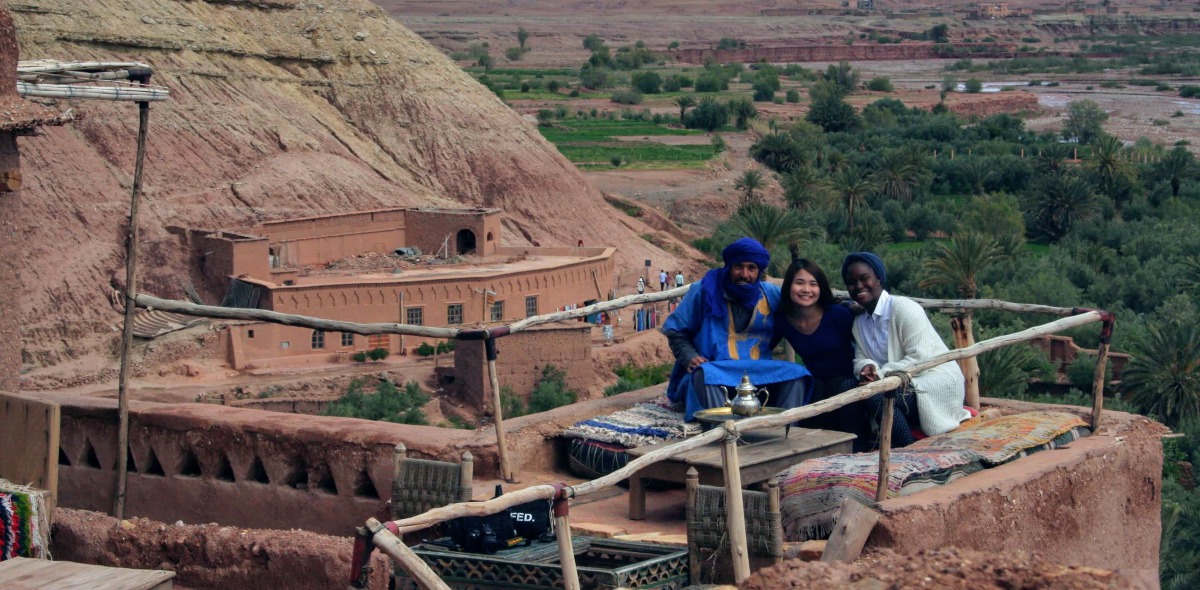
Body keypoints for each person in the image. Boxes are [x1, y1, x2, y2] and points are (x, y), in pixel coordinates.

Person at [662, 237, 811, 421]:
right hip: (716, 369)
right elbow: (676, 330)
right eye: (738, 266)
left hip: (758, 370)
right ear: (729, 267)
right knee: (704, 374)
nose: (744, 274)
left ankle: (784, 430)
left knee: (797, 374)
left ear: (759, 271)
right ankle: (726, 435)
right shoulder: (704, 291)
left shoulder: (771, 294)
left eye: (751, 268)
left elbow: (800, 315)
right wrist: (689, 356)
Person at [841, 252, 970, 450]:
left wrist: (881, 375)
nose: (858, 286)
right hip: (896, 382)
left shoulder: (904, 308)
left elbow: (921, 357)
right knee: (847, 387)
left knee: (878, 396)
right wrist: (868, 367)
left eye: (864, 278)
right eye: (851, 282)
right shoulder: (859, 323)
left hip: (933, 380)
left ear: (878, 278)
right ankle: (858, 449)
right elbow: (860, 358)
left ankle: (908, 450)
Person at [772, 251, 857, 430]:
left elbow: (864, 345)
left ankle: (858, 449)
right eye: (799, 283)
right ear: (789, 286)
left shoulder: (838, 315)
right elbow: (764, 346)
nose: (806, 290)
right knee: (809, 388)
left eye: (813, 284)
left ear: (821, 288)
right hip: (815, 380)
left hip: (848, 378)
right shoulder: (783, 319)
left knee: (838, 388)